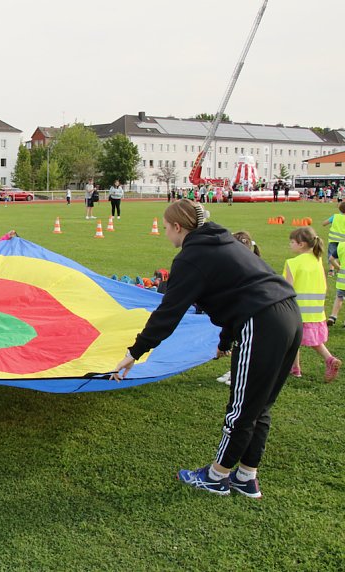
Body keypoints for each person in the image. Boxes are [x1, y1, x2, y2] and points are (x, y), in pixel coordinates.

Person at [112, 200, 301, 499]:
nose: (165, 234)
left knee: (241, 410)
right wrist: (226, 343)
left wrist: (136, 351)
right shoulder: (221, 240)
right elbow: (239, 290)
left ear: (178, 227)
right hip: (289, 315)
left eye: (165, 228)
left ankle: (216, 477)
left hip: (262, 321)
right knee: (258, 405)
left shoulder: (192, 257)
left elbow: (168, 312)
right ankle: (246, 477)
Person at [284, 226, 341, 382]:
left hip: (297, 309)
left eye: (292, 242)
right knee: (315, 342)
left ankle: (295, 369)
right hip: (316, 310)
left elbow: (287, 288)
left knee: (292, 341)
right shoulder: (317, 260)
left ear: (301, 244)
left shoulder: (292, 263)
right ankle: (328, 359)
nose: (290, 245)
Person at [216, 231, 261, 386]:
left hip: (256, 317)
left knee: (247, 347)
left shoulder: (241, 272)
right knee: (243, 345)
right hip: (254, 315)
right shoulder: (252, 265)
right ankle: (237, 372)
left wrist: (223, 344)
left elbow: (232, 310)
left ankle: (240, 375)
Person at [322, 201, 345, 276]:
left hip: (333, 239)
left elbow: (324, 223)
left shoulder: (335, 216)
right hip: (344, 241)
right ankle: (341, 269)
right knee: (343, 255)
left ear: (339, 209)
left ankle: (331, 270)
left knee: (332, 254)